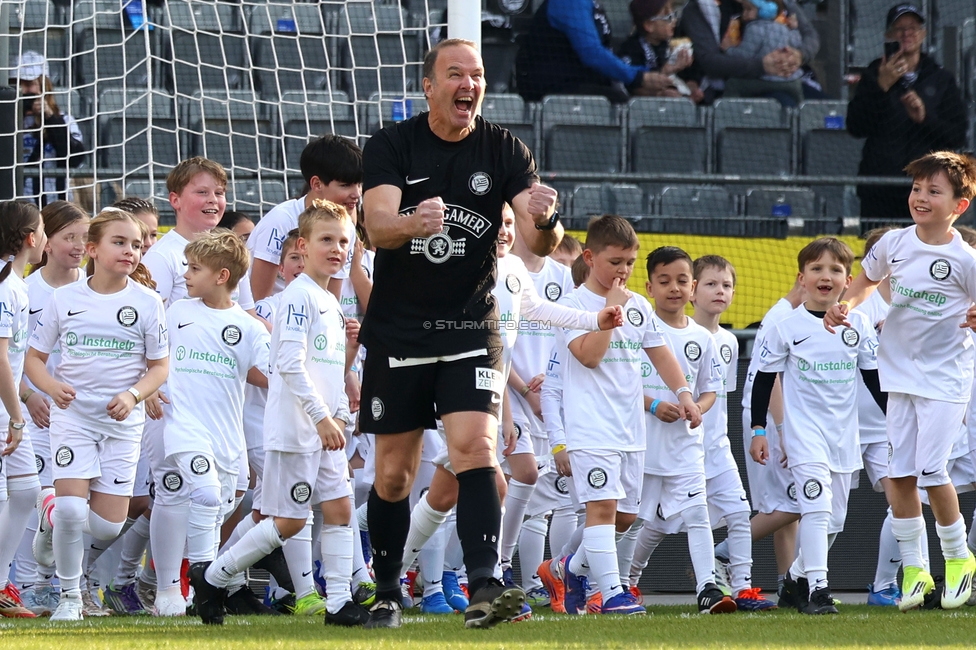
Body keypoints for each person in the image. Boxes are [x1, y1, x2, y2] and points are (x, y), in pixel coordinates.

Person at [358, 37, 562, 630]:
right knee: (394, 473)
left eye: (476, 75)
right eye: (455, 74)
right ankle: (389, 592)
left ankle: (484, 587)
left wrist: (546, 219)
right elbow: (375, 227)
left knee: (476, 449)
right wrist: (410, 222)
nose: (468, 85)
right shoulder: (393, 143)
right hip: (401, 332)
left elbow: (541, 238)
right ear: (429, 86)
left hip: (474, 326)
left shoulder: (504, 148)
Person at [194, 200, 366, 627]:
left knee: (341, 508)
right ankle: (213, 577)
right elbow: (286, 364)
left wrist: (340, 413)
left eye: (343, 241)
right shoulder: (297, 297)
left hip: (325, 430)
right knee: (288, 521)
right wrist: (321, 417)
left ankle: (340, 603)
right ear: (302, 247)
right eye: (326, 239)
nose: (336, 248)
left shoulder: (328, 300)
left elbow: (328, 370)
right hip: (296, 429)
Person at [825, 151, 976, 611]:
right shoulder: (893, 243)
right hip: (899, 378)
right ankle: (914, 569)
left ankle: (958, 561)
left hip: (946, 380)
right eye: (917, 189)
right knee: (900, 477)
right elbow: (866, 280)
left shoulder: (965, 259)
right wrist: (845, 305)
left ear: (959, 206)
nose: (921, 198)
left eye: (934, 191)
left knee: (932, 472)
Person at [547, 217, 701, 617]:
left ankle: (569, 568)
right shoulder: (570, 305)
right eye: (616, 261)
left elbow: (660, 352)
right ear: (589, 257)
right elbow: (589, 356)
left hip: (630, 429)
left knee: (626, 516)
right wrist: (609, 310)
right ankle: (612, 592)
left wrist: (685, 393)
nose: (624, 270)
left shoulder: (639, 306)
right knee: (601, 509)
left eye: (630, 262)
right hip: (590, 428)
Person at [25, 209, 169, 622]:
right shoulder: (64, 299)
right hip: (72, 419)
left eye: (137, 245)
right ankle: (69, 599)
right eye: (119, 242)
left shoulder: (146, 303)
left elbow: (160, 366)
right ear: (92, 249)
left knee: (107, 527)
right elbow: (35, 359)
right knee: (73, 511)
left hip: (123, 425)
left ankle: (49, 514)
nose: (130, 251)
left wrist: (133, 394)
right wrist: (51, 388)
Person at [755, 238, 884, 615]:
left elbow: (875, 381)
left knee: (834, 519)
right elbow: (765, 380)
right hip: (802, 436)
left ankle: (795, 581)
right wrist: (758, 431)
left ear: (848, 281)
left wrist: (899, 422)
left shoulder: (858, 325)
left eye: (835, 270)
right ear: (802, 277)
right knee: (815, 506)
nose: (825, 276)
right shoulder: (785, 326)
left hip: (843, 436)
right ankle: (818, 591)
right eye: (817, 269)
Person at [149, 230, 271, 619]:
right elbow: (152, 357)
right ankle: (205, 586)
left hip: (228, 439)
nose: (185, 274)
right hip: (184, 428)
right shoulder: (177, 312)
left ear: (221, 276)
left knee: (222, 505)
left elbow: (276, 373)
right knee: (202, 494)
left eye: (194, 268)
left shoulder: (248, 327)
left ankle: (216, 580)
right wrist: (147, 390)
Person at [626, 246, 732, 615]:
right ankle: (619, 582)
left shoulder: (703, 338)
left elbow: (710, 391)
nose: (674, 288)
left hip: (686, 445)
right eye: (664, 280)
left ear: (692, 287)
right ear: (649, 287)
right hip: (641, 445)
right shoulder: (634, 330)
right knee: (632, 520)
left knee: (697, 513)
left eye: (682, 280)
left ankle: (707, 589)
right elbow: (620, 385)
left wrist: (695, 409)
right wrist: (654, 405)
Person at [14, 201, 89, 617]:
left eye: (84, 238)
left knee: (81, 509)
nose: (78, 247)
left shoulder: (95, 287)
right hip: (38, 413)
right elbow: (14, 355)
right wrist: (29, 396)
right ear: (46, 241)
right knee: (41, 497)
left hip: (84, 413)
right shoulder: (26, 290)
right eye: (68, 237)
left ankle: (77, 584)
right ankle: (29, 584)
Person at [692, 255, 777, 611]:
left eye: (726, 285)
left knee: (740, 515)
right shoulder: (675, 335)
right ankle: (626, 581)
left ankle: (742, 589)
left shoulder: (728, 341)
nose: (720, 291)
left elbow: (719, 396)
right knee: (649, 524)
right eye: (711, 284)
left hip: (717, 447)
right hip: (680, 448)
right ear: (692, 290)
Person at [846, 4, 968, 222]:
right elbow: (855, 126)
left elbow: (957, 135)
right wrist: (881, 87)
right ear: (888, 35)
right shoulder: (874, 73)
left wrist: (925, 119)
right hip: (880, 189)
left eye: (912, 28)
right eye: (899, 29)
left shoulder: (941, 79)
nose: (906, 34)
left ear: (923, 34)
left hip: (927, 189)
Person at [0, 201, 47, 619]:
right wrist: (16, 416)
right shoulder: (6, 288)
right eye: (44, 230)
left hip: (9, 407)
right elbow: (0, 359)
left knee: (27, 490)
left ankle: (0, 585)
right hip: (3, 410)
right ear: (31, 239)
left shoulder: (16, 284)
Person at [248, 136, 363, 302]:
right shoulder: (280, 222)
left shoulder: (347, 228)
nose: (357, 194)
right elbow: (257, 303)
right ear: (316, 184)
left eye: (359, 184)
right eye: (345, 185)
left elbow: (330, 300)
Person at [515, 0, 677, 102]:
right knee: (618, 101)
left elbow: (604, 54)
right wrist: (637, 77)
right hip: (555, 87)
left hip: (583, 84)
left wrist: (647, 78)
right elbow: (591, 53)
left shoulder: (589, 4)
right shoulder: (569, 2)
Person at [676, 0, 811, 104]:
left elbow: (810, 36)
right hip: (741, 80)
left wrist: (798, 56)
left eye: (748, 9)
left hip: (786, 74)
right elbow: (710, 61)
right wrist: (762, 66)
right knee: (786, 105)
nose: (745, 13)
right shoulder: (701, 7)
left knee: (825, 112)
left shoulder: (770, 10)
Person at [9, 52, 87, 205]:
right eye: (18, 83)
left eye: (29, 83)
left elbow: (75, 158)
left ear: (44, 85)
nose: (23, 90)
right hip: (17, 207)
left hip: (57, 206)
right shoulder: (7, 123)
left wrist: (49, 117)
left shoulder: (64, 120)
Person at [721, 0, 805, 106]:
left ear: (764, 11)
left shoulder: (754, 28)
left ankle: (728, 116)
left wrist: (729, 49)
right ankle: (800, 117)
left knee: (732, 83)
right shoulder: (782, 28)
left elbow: (743, 55)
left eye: (749, 9)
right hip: (791, 81)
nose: (744, 13)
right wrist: (794, 29)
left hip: (765, 79)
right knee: (799, 102)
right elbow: (796, 43)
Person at [616, 0, 702, 102]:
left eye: (674, 15)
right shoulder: (631, 49)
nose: (674, 21)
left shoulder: (674, 44)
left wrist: (691, 88)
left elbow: (691, 76)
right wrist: (659, 94)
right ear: (649, 25)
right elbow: (632, 87)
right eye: (668, 18)